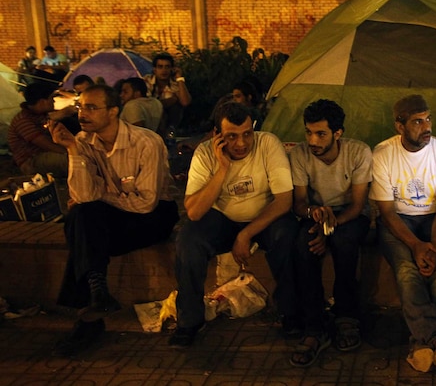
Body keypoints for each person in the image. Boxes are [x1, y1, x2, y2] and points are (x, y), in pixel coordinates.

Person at [47, 84, 178, 356]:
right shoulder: (82, 141)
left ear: (113, 111)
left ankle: (88, 317)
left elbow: (145, 203)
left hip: (153, 217)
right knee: (80, 216)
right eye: (81, 106)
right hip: (114, 216)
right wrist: (71, 149)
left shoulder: (146, 142)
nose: (83, 113)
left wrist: (101, 195)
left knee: (81, 225)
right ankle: (97, 294)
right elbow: (83, 197)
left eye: (92, 107)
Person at [172, 102, 297, 349]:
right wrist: (222, 169)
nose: (241, 144)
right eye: (231, 137)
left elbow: (284, 201)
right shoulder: (206, 154)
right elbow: (195, 212)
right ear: (217, 135)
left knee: (288, 235)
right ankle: (189, 321)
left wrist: (245, 235)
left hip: (264, 217)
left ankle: (291, 314)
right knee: (188, 241)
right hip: (223, 219)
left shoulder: (267, 144)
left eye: (247, 134)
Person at [370, 94, 436, 373]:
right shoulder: (382, 154)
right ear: (400, 127)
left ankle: (420, 342)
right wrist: (415, 245)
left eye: (428, 118)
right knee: (407, 271)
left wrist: (431, 246)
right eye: (418, 121)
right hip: (399, 222)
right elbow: (386, 212)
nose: (426, 126)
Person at [288, 99, 372, 367]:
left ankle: (347, 317)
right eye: (309, 132)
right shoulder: (300, 154)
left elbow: (359, 205)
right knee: (304, 245)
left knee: (345, 242)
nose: (313, 140)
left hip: (349, 214)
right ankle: (314, 327)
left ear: (337, 133)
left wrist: (330, 227)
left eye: (321, 134)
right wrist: (314, 215)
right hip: (316, 213)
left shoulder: (358, 153)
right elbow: (299, 202)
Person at [7, 82, 68, 177]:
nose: (54, 101)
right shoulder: (23, 120)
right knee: (72, 161)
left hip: (44, 154)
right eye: (51, 98)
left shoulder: (39, 115)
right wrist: (72, 152)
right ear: (42, 102)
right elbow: (46, 145)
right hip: (32, 161)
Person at [144, 53, 191, 135]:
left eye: (167, 67)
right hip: (150, 120)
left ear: (172, 69)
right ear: (155, 69)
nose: (164, 70)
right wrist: (170, 100)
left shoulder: (175, 84)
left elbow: (185, 102)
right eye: (160, 67)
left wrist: (179, 78)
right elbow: (145, 104)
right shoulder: (147, 81)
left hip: (169, 122)